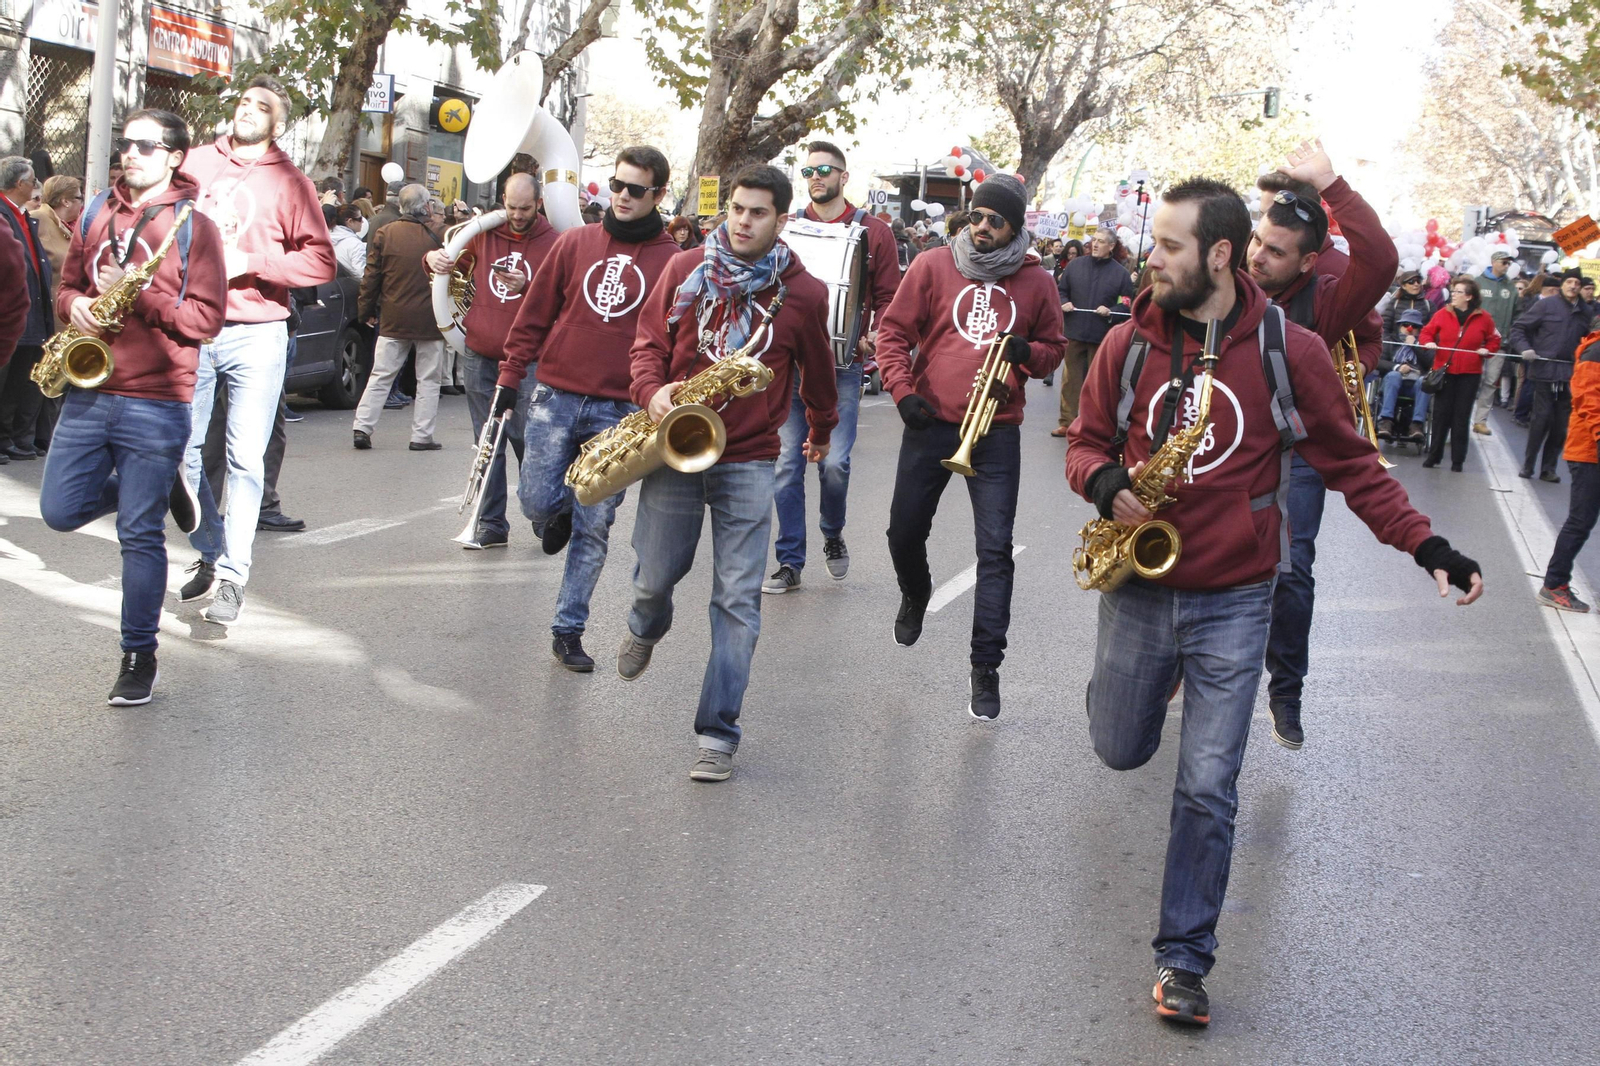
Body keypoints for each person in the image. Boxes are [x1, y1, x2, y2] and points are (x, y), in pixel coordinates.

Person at [1066, 175, 1483, 1029]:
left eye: (1170, 247)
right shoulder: (1130, 345)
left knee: (1209, 784)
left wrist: (1427, 546)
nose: (1153, 260)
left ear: (1217, 254)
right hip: (1140, 590)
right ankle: (1133, 701)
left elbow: (1353, 463)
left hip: (1236, 597)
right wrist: (1106, 482)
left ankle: (1183, 960)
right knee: (1117, 748)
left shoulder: (1285, 350)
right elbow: (1083, 443)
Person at [619, 164, 837, 782]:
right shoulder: (682, 269)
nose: (743, 221)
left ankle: (718, 732)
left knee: (737, 601)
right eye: (737, 209)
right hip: (674, 445)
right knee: (653, 576)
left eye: (758, 212)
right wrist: (652, 391)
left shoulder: (804, 294)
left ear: (782, 219)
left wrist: (820, 432)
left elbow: (818, 375)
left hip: (749, 457)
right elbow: (646, 345)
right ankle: (645, 622)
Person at [42, 109, 227, 704]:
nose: (131, 154)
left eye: (145, 146)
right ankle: (157, 485)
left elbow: (205, 319)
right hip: (91, 389)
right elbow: (68, 283)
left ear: (174, 156)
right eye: (125, 144)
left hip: (157, 399)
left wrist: (143, 295)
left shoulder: (194, 226)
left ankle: (136, 656)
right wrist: (72, 306)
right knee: (59, 510)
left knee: (138, 535)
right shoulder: (96, 210)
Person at [876, 173, 1066, 720]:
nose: (982, 227)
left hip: (995, 430)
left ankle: (986, 667)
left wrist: (1029, 353)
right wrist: (902, 391)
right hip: (931, 421)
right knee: (903, 531)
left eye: (995, 220)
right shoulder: (934, 264)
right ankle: (916, 592)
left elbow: (1054, 349)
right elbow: (892, 334)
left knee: (994, 551)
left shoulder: (1037, 282)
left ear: (1015, 227)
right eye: (977, 217)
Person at [483, 151, 676, 663]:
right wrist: (508, 378)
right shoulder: (574, 244)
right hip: (555, 394)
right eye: (618, 185)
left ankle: (568, 630)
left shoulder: (673, 260)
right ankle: (555, 514)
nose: (623, 196)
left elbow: (676, 341)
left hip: (620, 411)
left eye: (637, 189)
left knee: (595, 524)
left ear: (658, 195)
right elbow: (532, 316)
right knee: (537, 502)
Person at [1243, 138, 1397, 751]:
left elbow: (1380, 261)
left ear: (1306, 261)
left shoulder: (1329, 289)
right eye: (1257, 241)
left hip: (1300, 450)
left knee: (1292, 567)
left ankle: (1285, 689)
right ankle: (1177, 661)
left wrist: (1333, 183)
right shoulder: (1232, 273)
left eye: (1275, 251)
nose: (1257, 257)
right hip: (1227, 441)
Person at [176, 74, 336, 626]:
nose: (248, 110)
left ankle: (232, 579)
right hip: (194, 324)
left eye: (261, 106)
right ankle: (209, 547)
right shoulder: (195, 164)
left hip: (257, 331)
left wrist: (254, 264)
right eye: (244, 101)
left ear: (278, 122)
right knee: (185, 450)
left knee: (246, 460)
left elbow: (320, 262)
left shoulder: (290, 181)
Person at [764, 140, 901, 593]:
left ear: (844, 176)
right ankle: (789, 562)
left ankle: (832, 532)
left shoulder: (873, 231)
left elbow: (889, 299)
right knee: (786, 464)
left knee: (835, 463)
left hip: (842, 365)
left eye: (824, 169)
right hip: (789, 366)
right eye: (807, 172)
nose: (815, 178)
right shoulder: (787, 228)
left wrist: (876, 332)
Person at [423, 172, 560, 549]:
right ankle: (490, 522)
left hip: (530, 356)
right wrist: (433, 260)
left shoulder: (556, 242)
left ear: (540, 203)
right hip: (481, 350)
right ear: (503, 199)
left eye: (525, 208)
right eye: (511, 207)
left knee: (526, 437)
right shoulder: (483, 232)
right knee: (486, 440)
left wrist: (529, 287)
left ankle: (542, 511)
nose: (516, 215)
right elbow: (449, 268)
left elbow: (566, 299)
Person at [353, 184, 447, 451]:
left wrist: (366, 311)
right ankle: (421, 435)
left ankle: (362, 426)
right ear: (426, 206)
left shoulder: (385, 233)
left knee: (381, 374)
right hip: (430, 318)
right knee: (428, 379)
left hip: (393, 316)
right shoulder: (439, 234)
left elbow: (371, 277)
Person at [1537, 317, 1600, 612]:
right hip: (1589, 450)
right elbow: (1588, 399)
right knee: (1581, 520)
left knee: (1582, 521)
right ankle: (1554, 584)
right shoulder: (1595, 350)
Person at [1053, 223, 1135, 437]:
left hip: (1102, 335)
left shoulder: (1120, 274)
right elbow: (1061, 291)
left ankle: (1092, 423)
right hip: (1075, 331)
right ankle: (1067, 421)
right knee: (1070, 380)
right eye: (1094, 240)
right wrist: (1064, 302)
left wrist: (1112, 311)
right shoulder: (1075, 266)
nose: (1095, 244)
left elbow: (1126, 303)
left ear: (1111, 246)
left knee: (1098, 382)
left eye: (1101, 241)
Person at [1511, 268, 1592, 482]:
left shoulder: (1586, 312)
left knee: (1560, 425)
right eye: (1569, 282)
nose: (1573, 286)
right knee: (1540, 420)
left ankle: (1548, 468)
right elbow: (1518, 328)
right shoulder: (1546, 305)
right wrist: (1524, 349)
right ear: (1562, 284)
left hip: (1569, 373)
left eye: (1577, 283)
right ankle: (1528, 465)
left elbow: (1590, 341)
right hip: (1544, 371)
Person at [0, 156, 53, 461]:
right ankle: (5, 437)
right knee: (8, 381)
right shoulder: (3, 213)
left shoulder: (21, 215)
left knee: (24, 380)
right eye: (33, 181)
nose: (35, 187)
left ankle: (19, 437)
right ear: (19, 183)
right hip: (14, 315)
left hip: (33, 312)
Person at [1419, 275, 1499, 471]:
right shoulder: (1442, 314)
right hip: (1445, 372)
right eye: (1453, 291)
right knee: (1440, 415)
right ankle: (1434, 456)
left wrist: (1487, 350)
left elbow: (1494, 340)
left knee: (1461, 417)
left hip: (1470, 374)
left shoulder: (1484, 318)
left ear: (1469, 297)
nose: (1453, 295)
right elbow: (1426, 332)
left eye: (1458, 292)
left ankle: (1457, 460)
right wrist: (1428, 343)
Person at [1471, 250, 1520, 433]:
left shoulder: (1511, 287)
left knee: (1491, 382)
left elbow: (1517, 313)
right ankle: (1460, 419)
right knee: (1470, 380)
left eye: (1509, 263)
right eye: (1504, 262)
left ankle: (1480, 420)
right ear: (1494, 262)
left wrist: (1510, 333)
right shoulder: (1478, 282)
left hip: (1499, 343)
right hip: (1474, 342)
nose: (1507, 266)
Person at [1375, 308, 1431, 442]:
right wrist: (1398, 367)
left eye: (1414, 326)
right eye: (1405, 325)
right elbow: (1378, 361)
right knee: (1394, 376)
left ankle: (1416, 424)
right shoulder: (1390, 341)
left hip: (1414, 386)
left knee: (1424, 381)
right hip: (1391, 384)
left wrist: (1415, 346)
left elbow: (1430, 363)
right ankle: (1386, 421)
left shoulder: (1425, 344)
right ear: (1400, 326)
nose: (1409, 329)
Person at [1377, 269, 1430, 341]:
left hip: (1419, 348)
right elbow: (1385, 327)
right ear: (1404, 286)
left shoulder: (1428, 304)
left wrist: (1421, 344)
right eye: (1411, 282)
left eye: (1418, 281)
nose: (1416, 284)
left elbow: (1431, 330)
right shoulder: (1394, 303)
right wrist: (1390, 345)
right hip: (1396, 347)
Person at [328, 202, 369, 276]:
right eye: (359, 219)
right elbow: (361, 274)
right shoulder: (355, 244)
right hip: (350, 285)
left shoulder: (327, 238)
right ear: (350, 221)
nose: (362, 221)